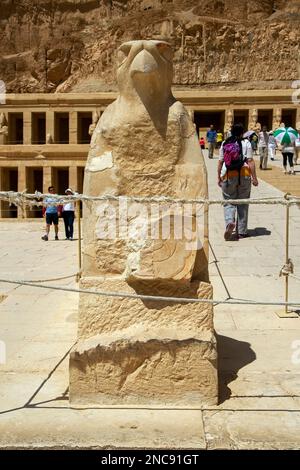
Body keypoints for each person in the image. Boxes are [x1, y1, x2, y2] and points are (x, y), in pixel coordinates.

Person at [217, 123, 258, 240]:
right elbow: (250, 161)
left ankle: (230, 222)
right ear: (242, 132)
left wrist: (218, 177)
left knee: (228, 201)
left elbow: (220, 162)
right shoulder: (246, 143)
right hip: (244, 174)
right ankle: (242, 231)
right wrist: (254, 178)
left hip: (229, 174)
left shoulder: (225, 143)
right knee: (243, 203)